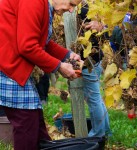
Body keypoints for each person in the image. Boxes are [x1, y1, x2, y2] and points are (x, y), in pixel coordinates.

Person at [0, 0, 82, 150]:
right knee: (27, 128)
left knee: (38, 131)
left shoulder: (44, 5)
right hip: (8, 70)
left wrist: (67, 55)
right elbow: (27, 46)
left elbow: (43, 42)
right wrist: (59, 66)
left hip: (14, 69)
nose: (71, 10)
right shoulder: (34, 2)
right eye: (71, 3)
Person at [79, 1, 111, 139]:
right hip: (95, 59)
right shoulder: (92, 5)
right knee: (96, 98)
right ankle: (106, 131)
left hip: (89, 61)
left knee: (93, 99)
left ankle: (97, 134)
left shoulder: (84, 8)